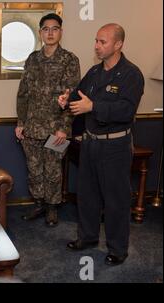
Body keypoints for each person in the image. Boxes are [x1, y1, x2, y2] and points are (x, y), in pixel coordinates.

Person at [59, 24, 144, 266]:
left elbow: (126, 111)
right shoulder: (95, 72)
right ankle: (87, 238)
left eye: (102, 42)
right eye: (96, 41)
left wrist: (93, 107)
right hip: (90, 143)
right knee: (87, 195)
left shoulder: (131, 74)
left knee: (115, 199)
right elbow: (79, 96)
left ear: (118, 45)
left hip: (115, 146)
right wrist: (67, 100)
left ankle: (118, 249)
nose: (97, 46)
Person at [15, 13, 81, 227]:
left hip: (56, 130)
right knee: (34, 169)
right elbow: (23, 94)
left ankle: (53, 208)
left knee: (53, 171)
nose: (50, 33)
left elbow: (73, 96)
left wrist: (64, 127)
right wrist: (20, 122)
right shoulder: (32, 59)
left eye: (54, 28)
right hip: (32, 127)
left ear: (61, 32)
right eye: (46, 29)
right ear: (40, 32)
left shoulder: (69, 60)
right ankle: (39, 204)